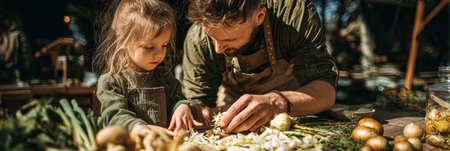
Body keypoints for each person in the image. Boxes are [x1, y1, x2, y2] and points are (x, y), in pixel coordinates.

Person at [183, 0, 339, 133]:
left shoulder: (292, 15)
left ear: (259, 17)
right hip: (234, 119)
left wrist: (275, 102)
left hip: (295, 114)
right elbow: (197, 106)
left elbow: (326, 92)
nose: (218, 49)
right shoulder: (198, 39)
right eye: (212, 37)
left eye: (228, 39)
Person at [94, 0, 200, 134]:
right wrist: (140, 128)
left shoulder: (164, 76)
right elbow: (115, 116)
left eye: (164, 45)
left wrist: (183, 106)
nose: (159, 54)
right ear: (123, 41)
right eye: (149, 47)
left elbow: (177, 99)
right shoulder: (112, 82)